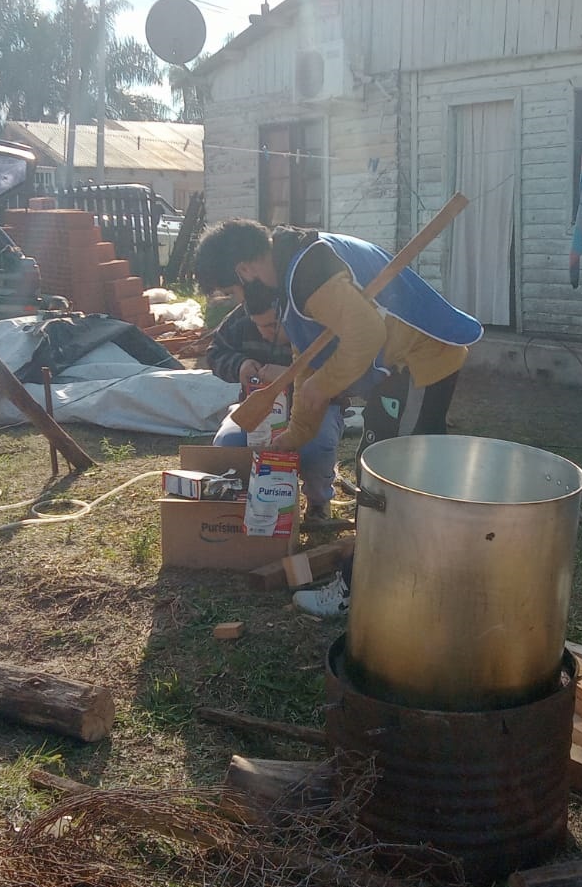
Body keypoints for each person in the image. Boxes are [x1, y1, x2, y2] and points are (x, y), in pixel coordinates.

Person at [193, 217, 481, 617]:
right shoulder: (292, 268)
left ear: (244, 270)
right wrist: (294, 435)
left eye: (233, 291)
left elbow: (366, 335)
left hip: (421, 362)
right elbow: (307, 360)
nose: (240, 302)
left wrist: (323, 386)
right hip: (398, 369)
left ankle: (362, 590)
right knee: (377, 469)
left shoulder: (307, 271)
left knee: (393, 480)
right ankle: (417, 572)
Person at [206, 294, 345, 519]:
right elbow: (215, 352)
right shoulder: (242, 315)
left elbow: (344, 380)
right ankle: (242, 503)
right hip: (256, 407)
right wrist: (239, 365)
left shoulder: (316, 322)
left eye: (272, 326)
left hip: (313, 406)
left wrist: (292, 377)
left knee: (317, 446)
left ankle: (318, 503)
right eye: (258, 326)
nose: (265, 334)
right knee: (227, 443)